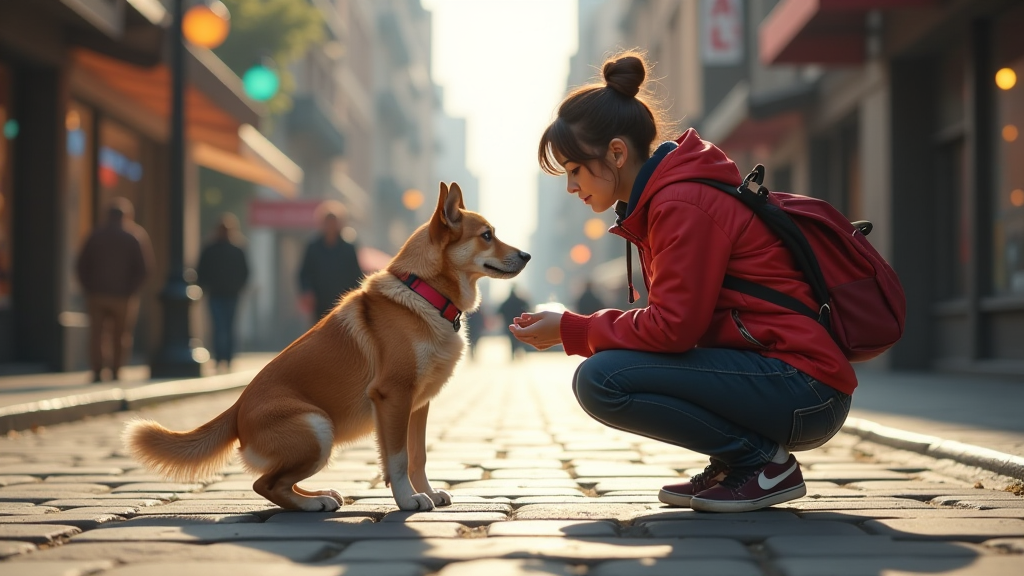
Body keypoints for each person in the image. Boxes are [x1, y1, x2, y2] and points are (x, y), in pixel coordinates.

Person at [509, 52, 855, 513]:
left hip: (806, 390)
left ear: (616, 152)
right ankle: (739, 463)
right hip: (783, 378)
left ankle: (760, 463)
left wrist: (573, 329)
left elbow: (674, 328)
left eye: (574, 170)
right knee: (609, 368)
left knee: (601, 379)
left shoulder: (681, 204)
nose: (572, 187)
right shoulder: (664, 201)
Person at [75, 197, 154, 383]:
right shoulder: (134, 236)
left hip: (97, 294)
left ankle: (97, 370)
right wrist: (131, 289)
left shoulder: (95, 235)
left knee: (97, 334)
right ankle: (116, 370)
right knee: (121, 335)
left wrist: (89, 287)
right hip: (123, 297)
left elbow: (81, 265)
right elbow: (144, 269)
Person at [196, 213, 250, 372]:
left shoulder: (237, 250)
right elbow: (202, 270)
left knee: (228, 327)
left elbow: (245, 272)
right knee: (220, 327)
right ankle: (221, 358)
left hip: (231, 294)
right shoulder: (211, 249)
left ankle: (227, 357)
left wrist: (237, 287)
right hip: (216, 294)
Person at [298, 200, 363, 323]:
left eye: (334, 222)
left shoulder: (348, 249)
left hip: (342, 303)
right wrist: (307, 291)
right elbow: (304, 273)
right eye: (328, 222)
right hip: (319, 302)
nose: (331, 225)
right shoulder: (313, 247)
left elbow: (356, 276)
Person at [498, 285, 530, 361]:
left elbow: (499, 311)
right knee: (519, 339)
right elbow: (527, 307)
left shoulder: (506, 302)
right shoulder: (520, 301)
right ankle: (518, 351)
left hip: (509, 324)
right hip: (519, 323)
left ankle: (513, 353)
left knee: (512, 340)